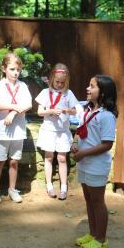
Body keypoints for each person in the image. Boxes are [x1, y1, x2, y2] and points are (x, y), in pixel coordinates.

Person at [71, 75, 117, 248]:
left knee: (98, 202)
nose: (87, 89)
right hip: (84, 163)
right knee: (89, 200)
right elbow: (80, 131)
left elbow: (107, 144)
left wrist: (83, 153)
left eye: (92, 86)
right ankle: (92, 234)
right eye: (88, 85)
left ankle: (101, 238)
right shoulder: (88, 111)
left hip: (96, 165)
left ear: (103, 92)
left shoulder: (107, 116)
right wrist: (75, 144)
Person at [0, 53, 32, 204]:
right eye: (12, 69)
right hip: (2, 130)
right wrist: (11, 106)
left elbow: (28, 104)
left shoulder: (23, 86)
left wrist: (13, 113)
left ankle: (12, 189)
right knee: (0, 161)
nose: (15, 73)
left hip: (18, 130)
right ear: (4, 69)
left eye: (18, 70)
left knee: (14, 161)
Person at [35, 63, 78, 200]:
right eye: (57, 82)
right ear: (52, 78)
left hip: (62, 131)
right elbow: (40, 112)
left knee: (62, 158)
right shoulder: (45, 93)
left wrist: (68, 111)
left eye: (62, 82)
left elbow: (75, 111)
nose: (59, 85)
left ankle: (64, 188)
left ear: (67, 81)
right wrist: (51, 111)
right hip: (48, 130)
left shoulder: (68, 94)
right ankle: (49, 186)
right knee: (49, 157)